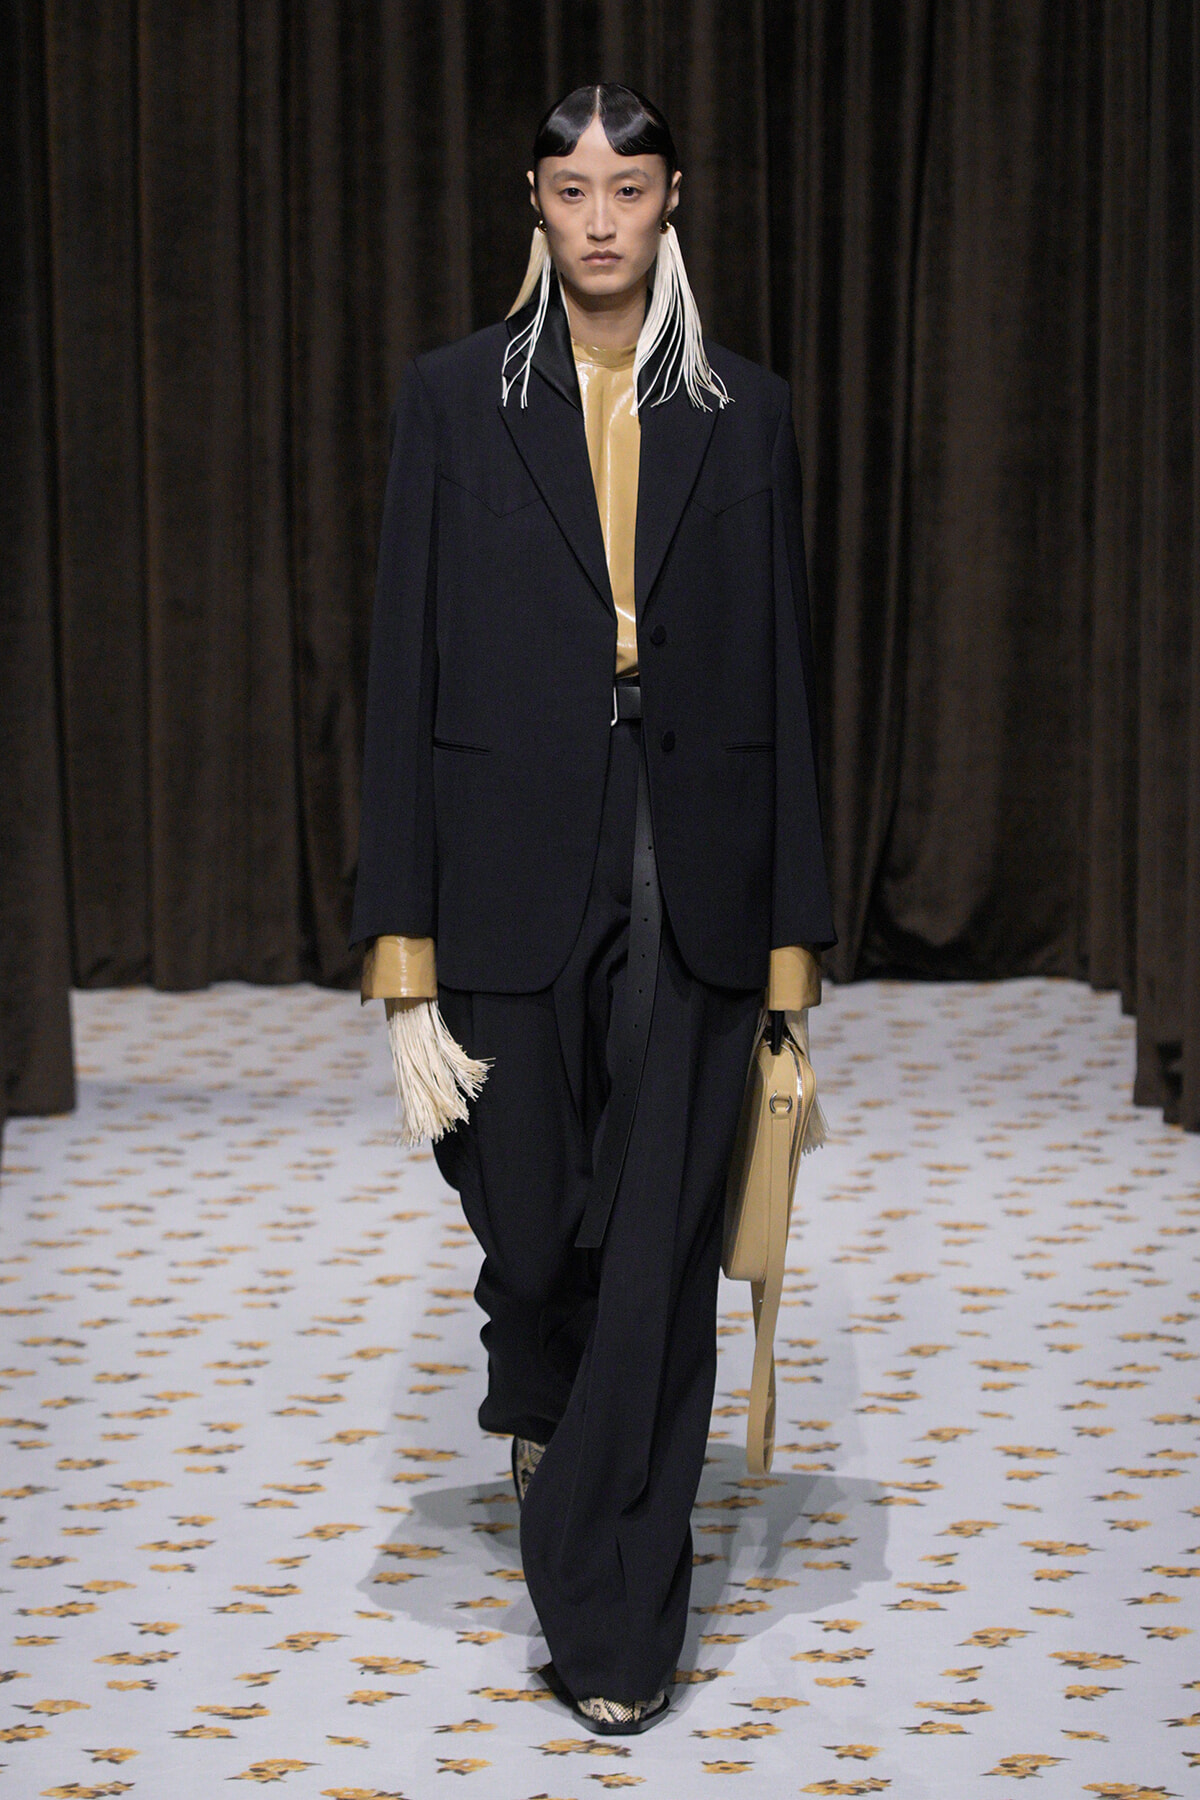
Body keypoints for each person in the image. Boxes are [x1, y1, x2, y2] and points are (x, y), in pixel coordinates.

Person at [350, 82, 834, 1734]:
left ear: (673, 199)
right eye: (573, 189)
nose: (604, 218)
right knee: (537, 1217)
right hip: (503, 851)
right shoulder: (453, 400)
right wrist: (397, 935)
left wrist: (791, 934)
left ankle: (615, 1620)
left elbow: (782, 667)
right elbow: (402, 662)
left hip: (690, 845)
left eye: (630, 187)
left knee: (663, 1247)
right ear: (537, 210)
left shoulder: (742, 409)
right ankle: (541, 1378)